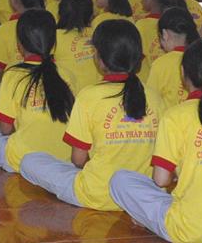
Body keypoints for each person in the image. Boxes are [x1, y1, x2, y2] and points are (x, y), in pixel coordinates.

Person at [109, 39, 202, 243]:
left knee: (120, 180)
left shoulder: (174, 116)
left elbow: (161, 180)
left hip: (188, 230)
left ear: (182, 73)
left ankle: (149, 218)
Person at [19, 19, 156, 209]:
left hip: (95, 194)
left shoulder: (88, 96)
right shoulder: (155, 98)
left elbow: (78, 160)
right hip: (140, 199)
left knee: (30, 161)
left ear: (100, 58)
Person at [0, 10, 74, 172]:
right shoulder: (66, 74)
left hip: (21, 159)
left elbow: (5, 129)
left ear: (19, 44)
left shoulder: (13, 75)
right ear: (53, 42)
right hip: (63, 158)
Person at [145, 6, 199, 114]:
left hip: (168, 122)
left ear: (165, 34)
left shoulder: (160, 64)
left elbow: (149, 101)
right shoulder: (199, 58)